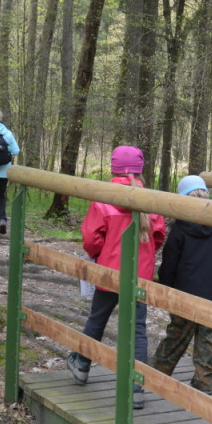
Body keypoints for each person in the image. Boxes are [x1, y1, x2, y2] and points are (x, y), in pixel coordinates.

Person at [67, 146, 166, 409]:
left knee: (97, 319)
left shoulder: (104, 197)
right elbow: (158, 236)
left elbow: (90, 238)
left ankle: (82, 366)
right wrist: (144, 256)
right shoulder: (150, 198)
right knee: (138, 329)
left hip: (110, 271)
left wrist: (101, 253)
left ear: (113, 167)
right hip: (139, 275)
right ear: (140, 168)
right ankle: (137, 388)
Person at [150, 175, 212, 394]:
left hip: (185, 292)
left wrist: (166, 288)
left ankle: (158, 372)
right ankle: (205, 380)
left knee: (176, 335)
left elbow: (170, 263)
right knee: (209, 339)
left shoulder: (180, 229)